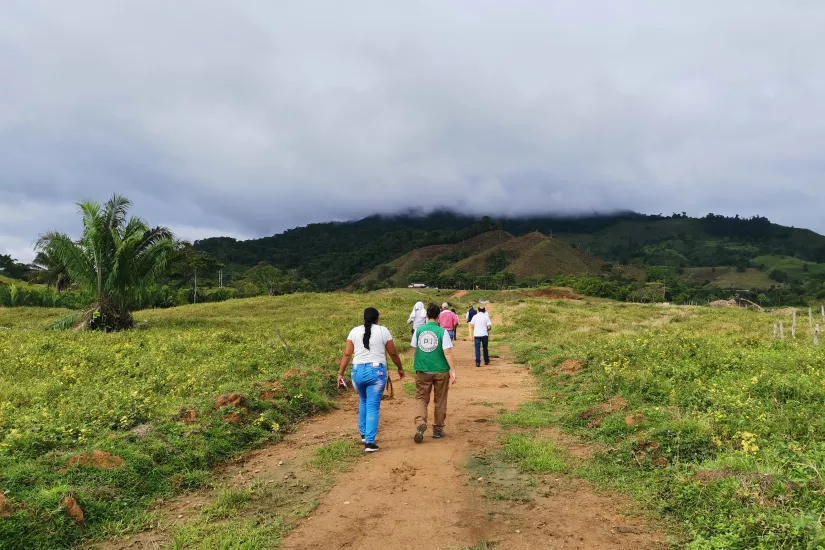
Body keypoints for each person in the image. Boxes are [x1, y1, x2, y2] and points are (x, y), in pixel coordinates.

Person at [337, 307, 406, 452]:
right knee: (373, 405)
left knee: (363, 400)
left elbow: (347, 354)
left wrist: (340, 373)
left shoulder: (354, 331)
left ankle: (363, 433)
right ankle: (369, 442)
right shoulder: (383, 331)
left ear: (364, 318)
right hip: (376, 373)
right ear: (377, 318)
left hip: (357, 372)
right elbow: (392, 353)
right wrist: (400, 368)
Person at [411, 303, 457, 442]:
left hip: (423, 369)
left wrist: (419, 362)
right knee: (440, 399)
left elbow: (414, 349)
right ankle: (437, 429)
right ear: (438, 316)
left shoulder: (418, 330)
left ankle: (420, 422)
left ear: (426, 315)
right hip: (441, 370)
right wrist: (453, 370)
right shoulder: (442, 332)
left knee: (421, 398)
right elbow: (447, 352)